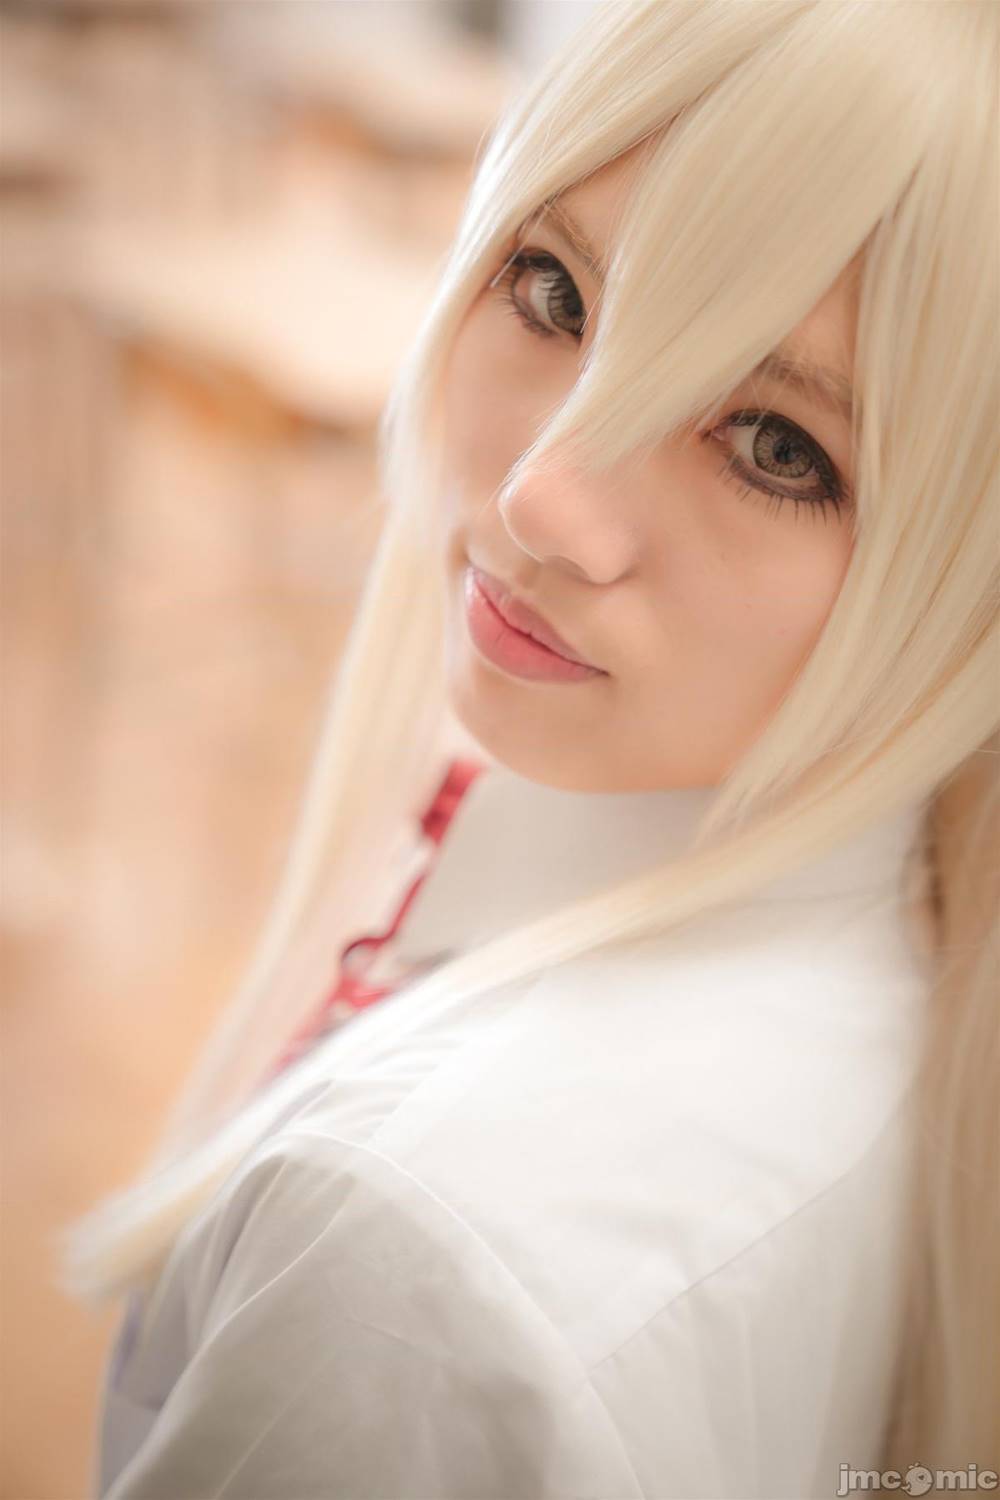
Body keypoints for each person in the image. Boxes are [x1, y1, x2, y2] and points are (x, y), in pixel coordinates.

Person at [58, 1, 998, 1495]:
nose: (544, 498)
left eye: (778, 447)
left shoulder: (413, 1259)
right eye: (554, 291)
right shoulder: (907, 977)